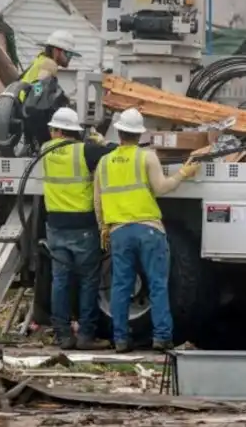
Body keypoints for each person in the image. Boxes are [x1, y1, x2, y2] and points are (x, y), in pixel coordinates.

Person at [93, 108, 200, 352]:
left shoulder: (104, 163)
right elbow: (161, 188)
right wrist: (183, 173)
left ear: (119, 132)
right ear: (139, 134)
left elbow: (97, 200)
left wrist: (103, 227)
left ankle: (121, 340)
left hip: (119, 231)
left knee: (121, 286)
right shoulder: (147, 157)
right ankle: (161, 338)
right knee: (157, 285)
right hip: (149, 230)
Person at [40, 107, 117, 350]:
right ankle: (85, 336)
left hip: (55, 226)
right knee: (88, 281)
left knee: (60, 282)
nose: (50, 132)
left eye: (53, 129)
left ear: (58, 130)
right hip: (83, 226)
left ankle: (63, 335)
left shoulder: (44, 150)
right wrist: (100, 141)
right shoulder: (85, 150)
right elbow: (113, 151)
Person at [18, 30, 78, 102]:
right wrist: (36, 98)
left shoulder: (41, 59)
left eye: (71, 55)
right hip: (25, 105)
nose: (70, 58)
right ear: (56, 51)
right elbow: (38, 86)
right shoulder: (50, 64)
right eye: (68, 54)